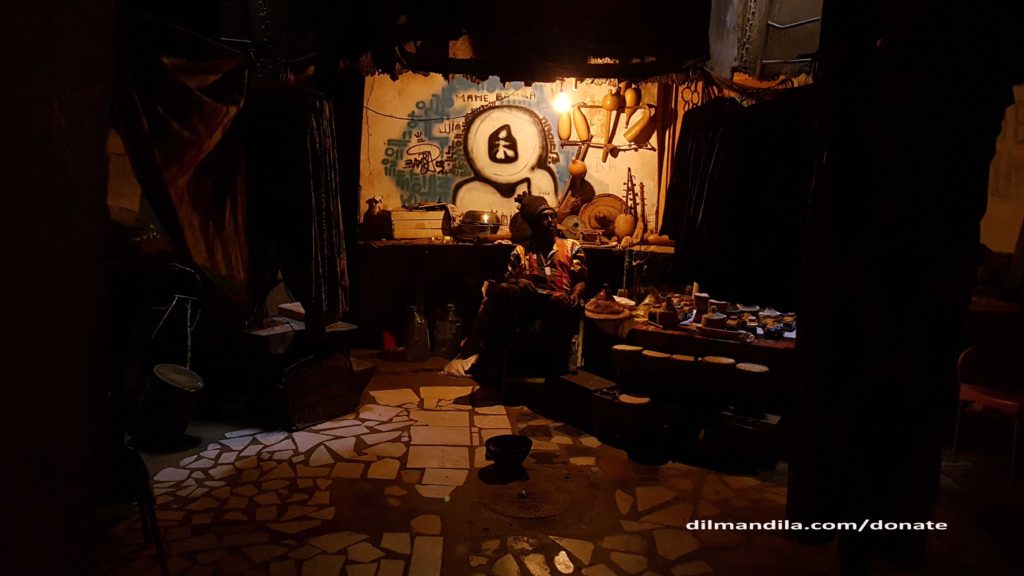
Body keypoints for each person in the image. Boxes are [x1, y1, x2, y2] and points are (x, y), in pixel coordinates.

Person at [445, 194, 587, 379]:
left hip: (558, 304)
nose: (550, 221)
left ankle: (553, 375)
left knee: (558, 303)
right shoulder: (521, 251)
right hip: (528, 304)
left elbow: (581, 279)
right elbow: (508, 278)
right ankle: (503, 357)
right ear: (535, 225)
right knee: (503, 291)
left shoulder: (571, 247)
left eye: (552, 216)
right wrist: (519, 281)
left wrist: (576, 294)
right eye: (544, 218)